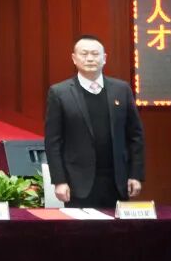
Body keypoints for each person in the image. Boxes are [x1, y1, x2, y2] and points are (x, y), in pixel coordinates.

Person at [44, 35, 145, 208]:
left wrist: (135, 175)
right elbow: (53, 141)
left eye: (95, 54)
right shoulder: (59, 93)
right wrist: (59, 180)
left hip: (117, 182)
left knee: (119, 226)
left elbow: (135, 136)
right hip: (78, 183)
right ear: (74, 58)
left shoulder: (122, 89)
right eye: (84, 54)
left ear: (104, 58)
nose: (90, 58)